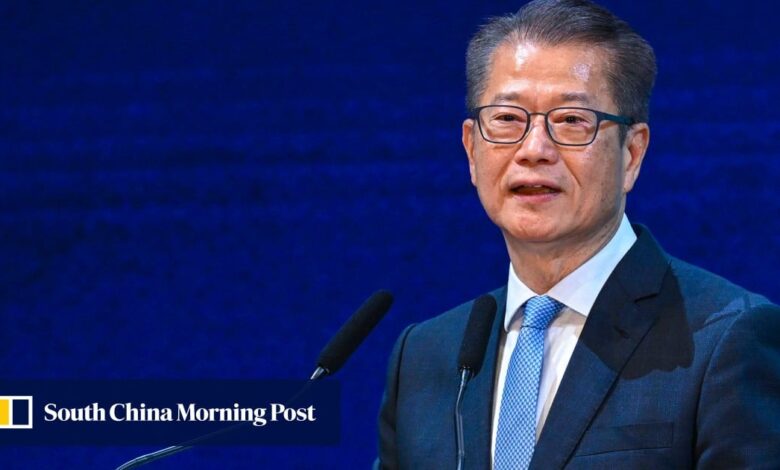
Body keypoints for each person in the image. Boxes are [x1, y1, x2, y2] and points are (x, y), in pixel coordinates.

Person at [375, 0, 780, 468]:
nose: (534, 150)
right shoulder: (424, 356)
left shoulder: (726, 338)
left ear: (632, 153)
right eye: (507, 119)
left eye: (571, 121)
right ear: (471, 149)